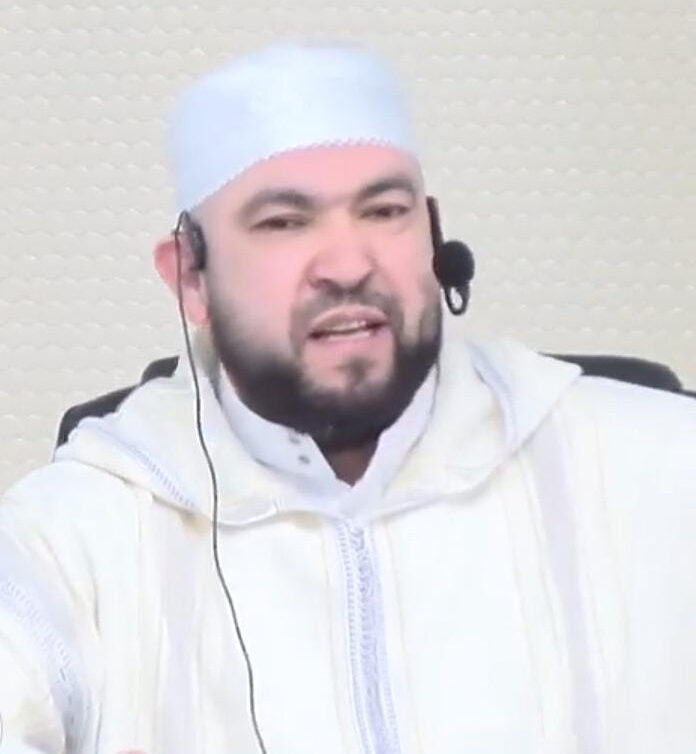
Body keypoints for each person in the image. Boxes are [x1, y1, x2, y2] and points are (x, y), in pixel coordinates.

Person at [0, 42, 694, 754]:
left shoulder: (659, 464)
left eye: (384, 211)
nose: (348, 265)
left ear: (433, 237)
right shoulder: (72, 535)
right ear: (190, 277)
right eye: (283, 222)